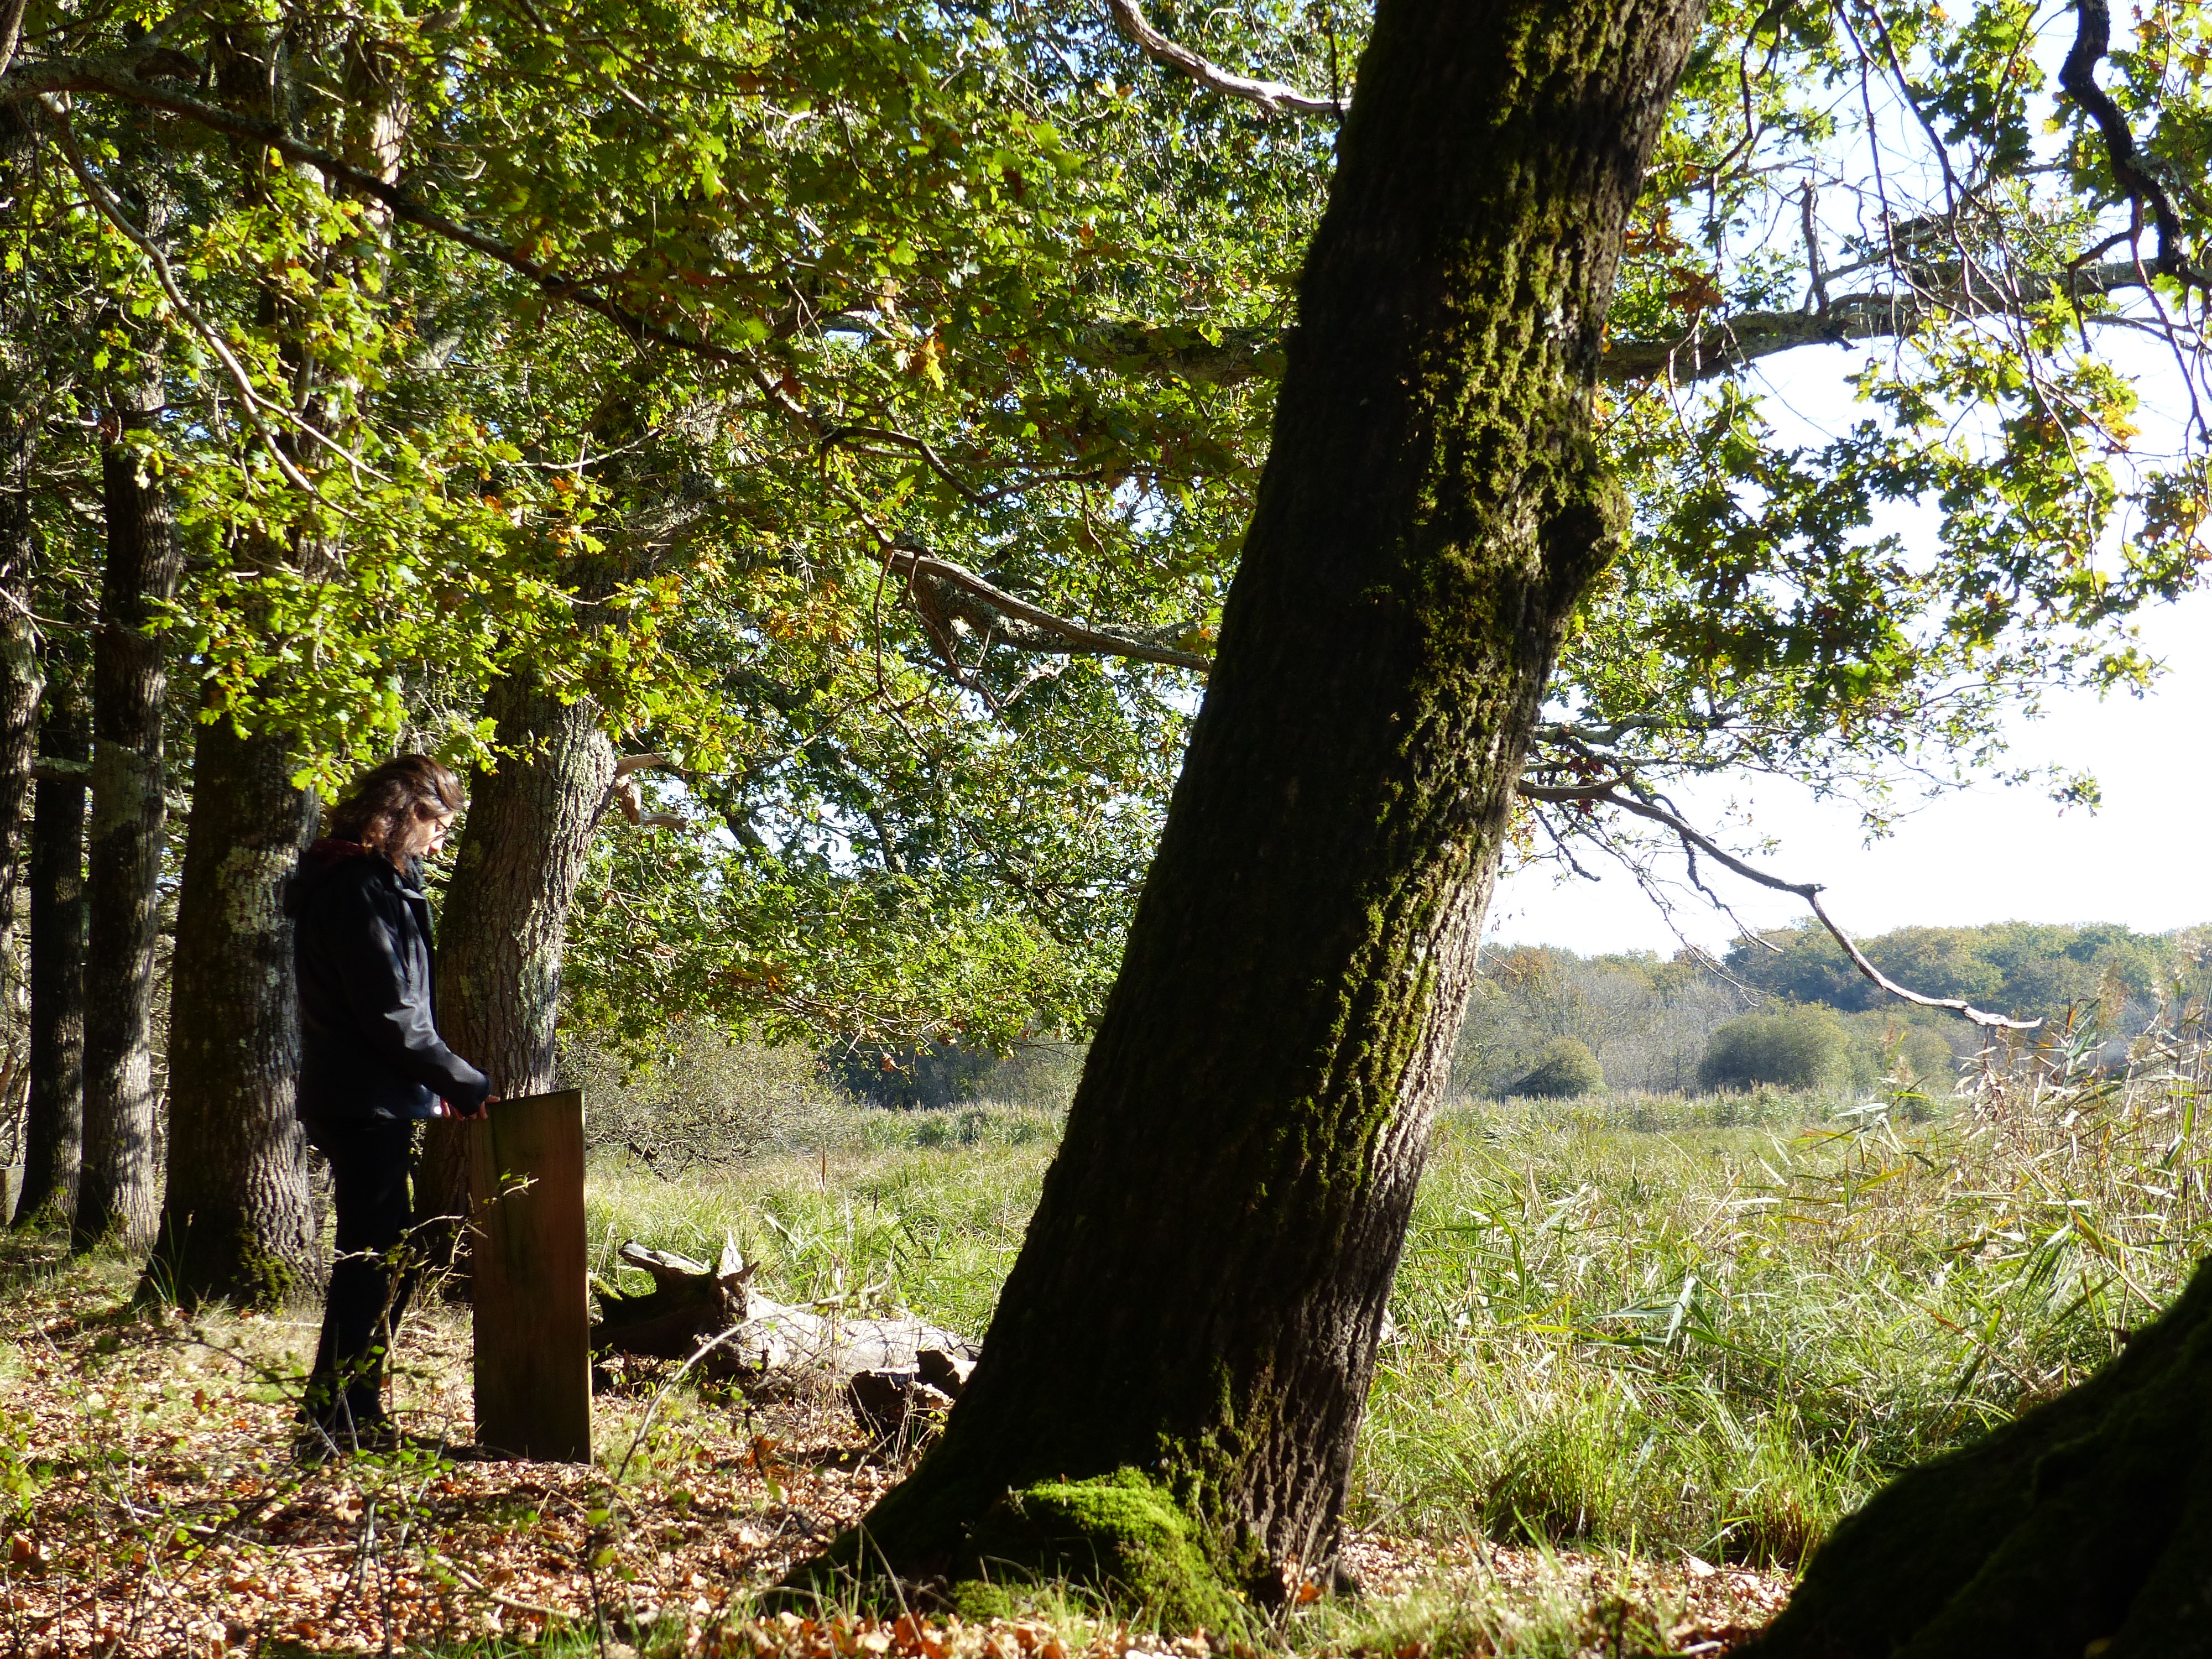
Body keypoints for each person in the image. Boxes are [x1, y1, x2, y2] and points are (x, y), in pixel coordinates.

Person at [290, 754, 491, 1452]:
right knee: (376, 1259)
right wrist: (457, 1077)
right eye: (439, 825)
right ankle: (338, 1420)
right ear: (408, 814)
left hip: (371, 1095)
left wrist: (436, 1078)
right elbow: (388, 1013)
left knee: (382, 1256)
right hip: (361, 1098)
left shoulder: (381, 882)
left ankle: (349, 1413)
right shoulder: (357, 887)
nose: (442, 842)